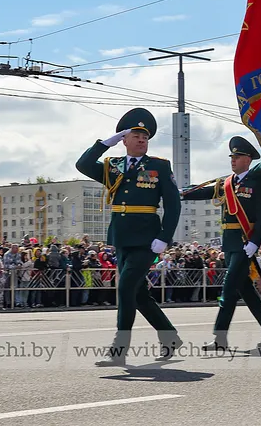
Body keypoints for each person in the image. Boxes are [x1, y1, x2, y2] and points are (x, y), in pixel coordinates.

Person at [74, 108, 182, 366]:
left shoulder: (159, 166)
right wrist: (102, 145)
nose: (142, 139)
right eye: (135, 134)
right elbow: (83, 165)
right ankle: (170, 338)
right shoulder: (113, 167)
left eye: (145, 136)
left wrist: (165, 237)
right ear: (124, 138)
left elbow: (174, 204)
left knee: (125, 288)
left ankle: (119, 350)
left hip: (148, 239)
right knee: (138, 294)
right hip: (122, 237)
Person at [181, 136, 261, 350]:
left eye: (237, 157)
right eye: (232, 157)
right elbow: (204, 191)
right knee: (245, 289)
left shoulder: (256, 181)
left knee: (228, 290)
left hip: (245, 244)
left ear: (248, 159)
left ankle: (220, 338)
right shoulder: (227, 183)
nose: (233, 160)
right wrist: (180, 192)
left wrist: (256, 242)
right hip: (230, 244)